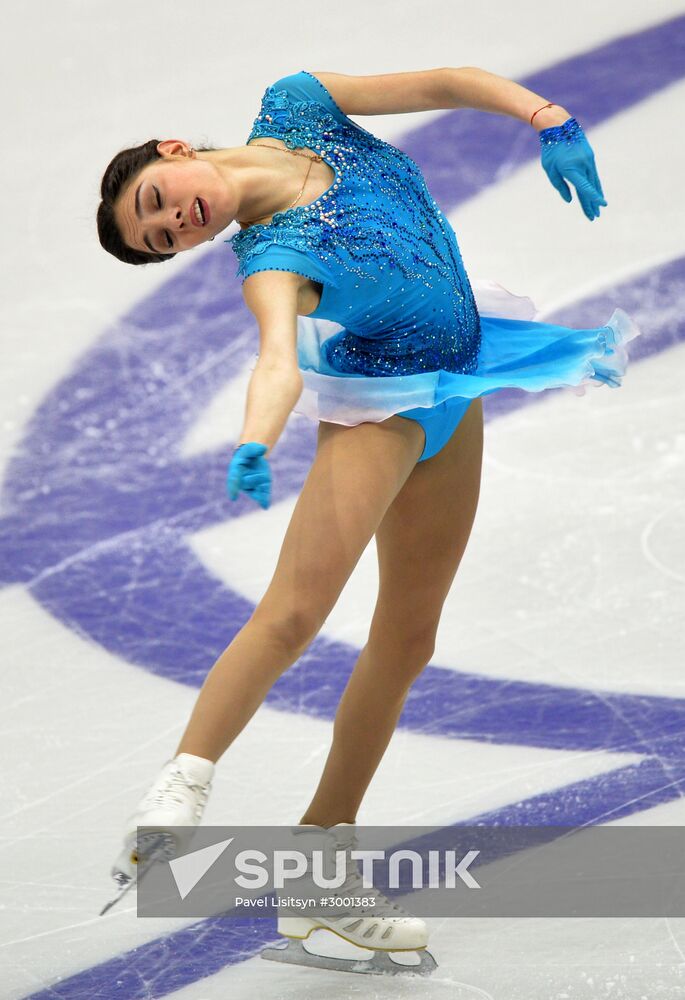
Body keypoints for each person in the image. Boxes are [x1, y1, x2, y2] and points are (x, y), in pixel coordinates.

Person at [96, 67, 639, 974]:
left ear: (172, 148)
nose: (176, 224)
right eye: (161, 241)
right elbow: (277, 357)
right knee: (297, 612)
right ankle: (179, 791)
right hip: (381, 414)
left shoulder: (297, 104)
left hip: (454, 389)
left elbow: (445, 81)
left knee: (408, 637)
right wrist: (257, 440)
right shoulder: (270, 260)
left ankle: (320, 873)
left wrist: (549, 120)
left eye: (158, 202)